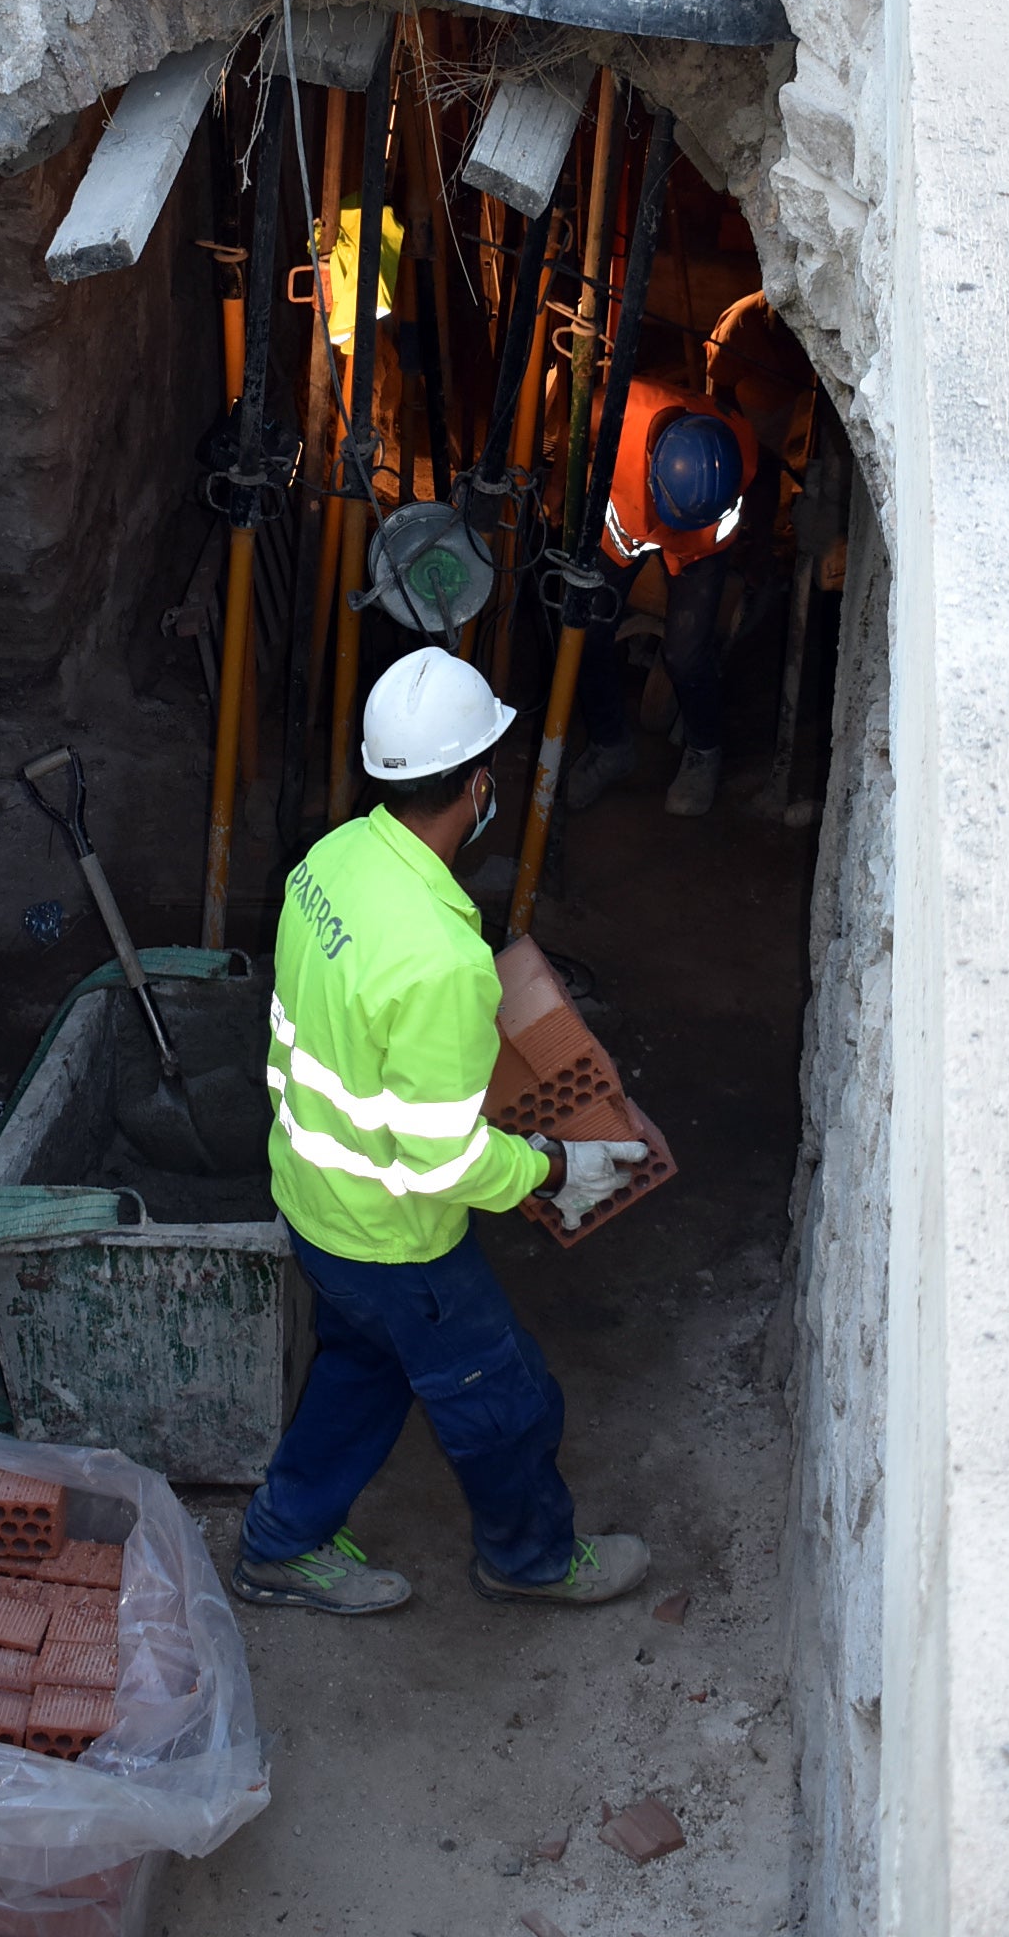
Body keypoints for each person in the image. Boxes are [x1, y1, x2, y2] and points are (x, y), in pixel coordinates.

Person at [232, 647, 651, 1617]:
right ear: (475, 784)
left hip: (311, 1197)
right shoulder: (439, 957)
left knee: (363, 1367)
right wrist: (553, 1166)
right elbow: (443, 1156)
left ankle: (279, 1542)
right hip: (394, 1237)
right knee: (506, 1403)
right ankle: (531, 1559)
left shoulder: (325, 863)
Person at [568, 373, 758, 818]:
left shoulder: (742, 450)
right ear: (653, 457)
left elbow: (758, 496)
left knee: (686, 654)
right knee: (584, 629)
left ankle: (704, 752)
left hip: (698, 549)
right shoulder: (615, 412)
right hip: (626, 527)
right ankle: (610, 746)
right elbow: (576, 432)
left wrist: (760, 550)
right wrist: (562, 487)